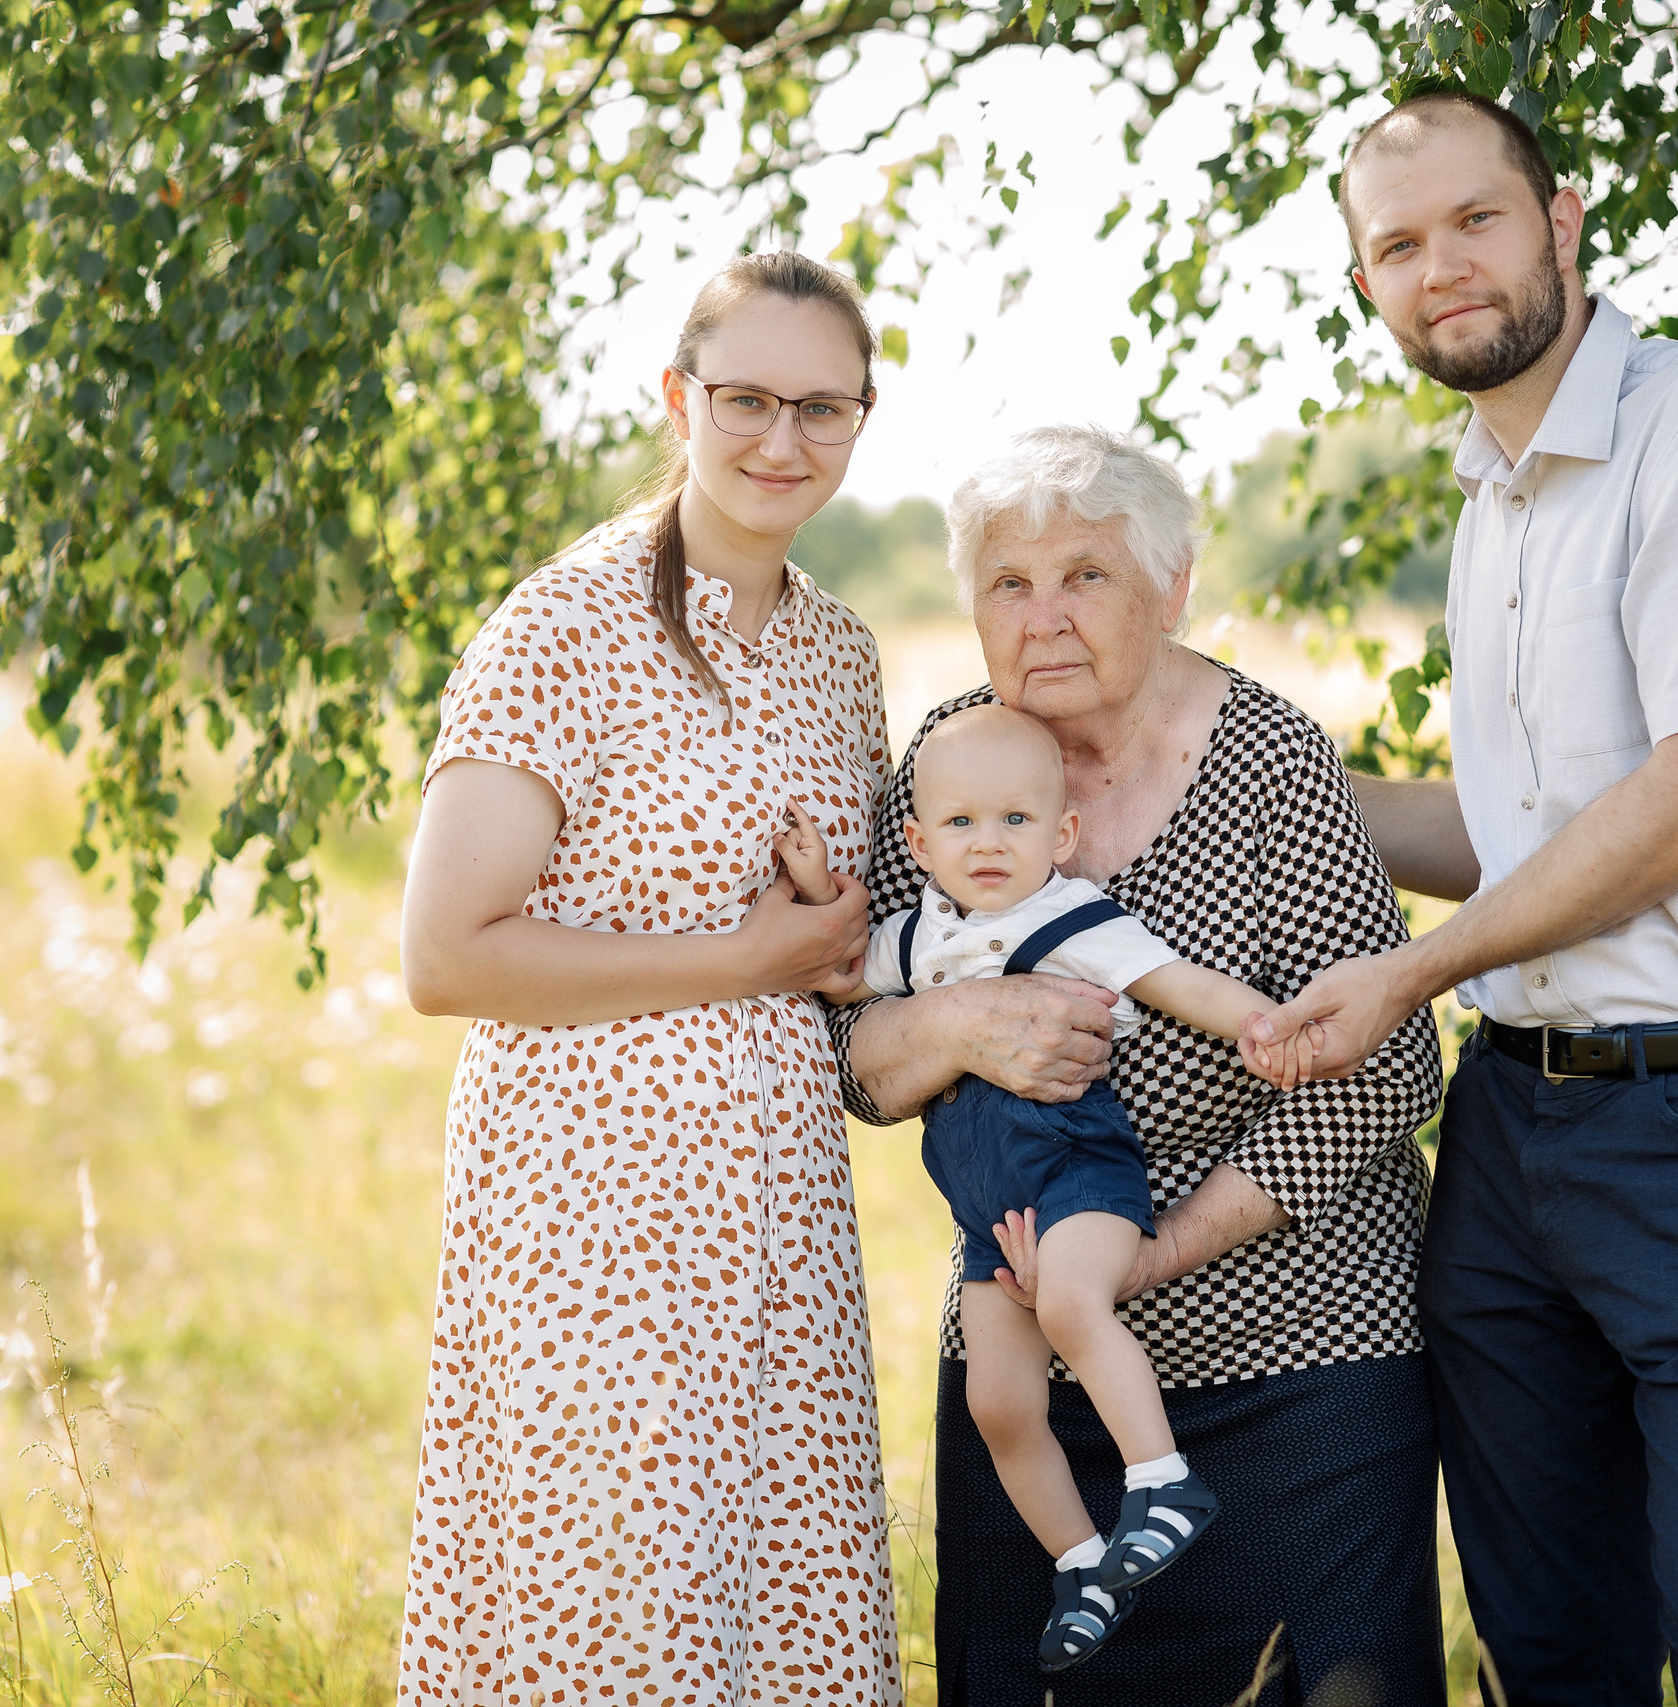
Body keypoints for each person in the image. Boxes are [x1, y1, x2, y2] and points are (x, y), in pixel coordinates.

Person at [1249, 92, 1678, 1705]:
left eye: (1475, 219)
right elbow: (1525, 833)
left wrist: (1411, 976)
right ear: (1366, 291)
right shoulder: (1495, 497)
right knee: (1550, 1653)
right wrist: (1223, 772)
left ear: (1563, 218)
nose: (1442, 267)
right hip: (1513, 1143)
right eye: (1397, 245)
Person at [828, 424, 1448, 1704]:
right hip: (1028, 1351)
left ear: (1170, 592)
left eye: (1087, 577)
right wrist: (957, 1027)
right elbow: (857, 1055)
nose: (1044, 617)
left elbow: (1385, 1074)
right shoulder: (954, 763)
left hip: (1299, 1349)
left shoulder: (1271, 761)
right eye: (1010, 582)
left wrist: (1151, 1256)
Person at [395, 252, 903, 1705]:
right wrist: (747, 953)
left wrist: (838, 936)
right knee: (616, 1616)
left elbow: (833, 949)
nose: (779, 439)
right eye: (744, 398)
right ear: (680, 398)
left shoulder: (839, 652)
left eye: (823, 407)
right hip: (590, 1225)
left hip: (780, 1220)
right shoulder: (563, 627)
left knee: (777, 1608)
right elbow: (445, 957)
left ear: (863, 419)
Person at [778, 707, 1313, 1672]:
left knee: (1071, 1302)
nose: (989, 844)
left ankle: (1162, 1481)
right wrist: (819, 887)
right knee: (999, 1401)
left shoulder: (1070, 915)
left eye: (1018, 821)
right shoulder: (920, 936)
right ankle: (1085, 1561)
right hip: (991, 1214)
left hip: (1080, 1174)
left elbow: (1173, 979)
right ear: (919, 843)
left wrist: (1263, 1023)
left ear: (1061, 836)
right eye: (963, 824)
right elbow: (847, 975)